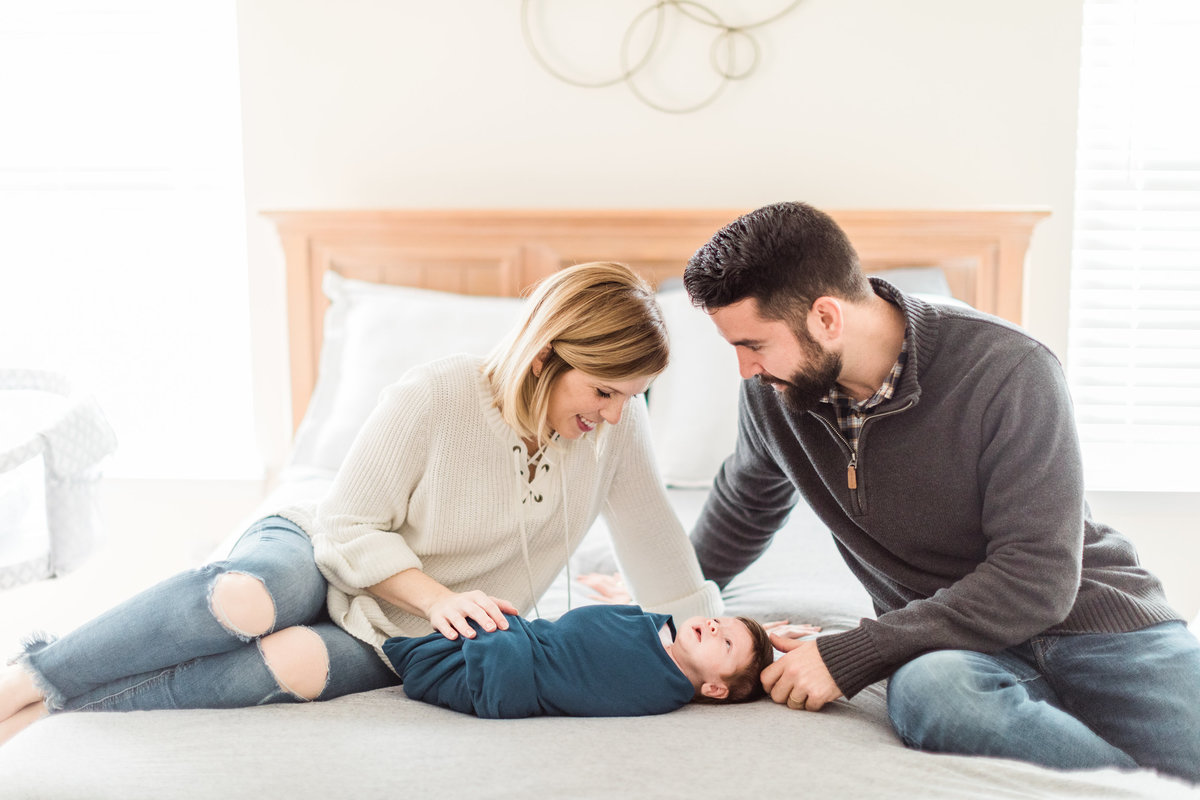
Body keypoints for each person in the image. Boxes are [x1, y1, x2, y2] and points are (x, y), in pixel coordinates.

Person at [0, 261, 721, 745]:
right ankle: (28, 679)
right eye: (604, 391)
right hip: (322, 548)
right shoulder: (438, 392)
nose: (619, 414)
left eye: (633, 395)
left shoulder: (613, 435)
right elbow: (346, 523)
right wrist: (436, 594)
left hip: (408, 632)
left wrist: (730, 641)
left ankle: (52, 723)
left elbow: (656, 545)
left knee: (291, 666)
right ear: (545, 358)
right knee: (250, 599)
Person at [681, 201, 1200, 783]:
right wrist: (669, 599)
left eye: (753, 345)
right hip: (954, 651)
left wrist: (853, 652)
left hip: (1099, 623)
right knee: (936, 696)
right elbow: (746, 503)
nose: (747, 370)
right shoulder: (775, 396)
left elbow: (1038, 577)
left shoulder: (1010, 369)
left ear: (827, 318)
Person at [383, 605, 773, 718]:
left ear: (715, 688)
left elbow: (583, 681)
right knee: (489, 615)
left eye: (725, 643)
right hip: (532, 639)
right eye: (719, 621)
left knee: (490, 630)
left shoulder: (659, 689)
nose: (713, 625)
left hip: (513, 676)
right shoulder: (656, 630)